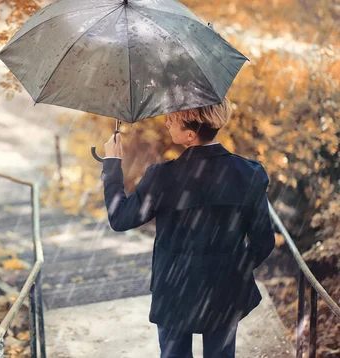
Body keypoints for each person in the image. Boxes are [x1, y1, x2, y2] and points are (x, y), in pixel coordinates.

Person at [101, 98, 275, 358]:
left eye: (174, 119)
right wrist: (232, 269)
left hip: (174, 291)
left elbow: (121, 219)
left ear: (191, 134)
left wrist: (112, 164)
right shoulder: (248, 173)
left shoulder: (162, 176)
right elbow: (264, 241)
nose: (167, 121)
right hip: (224, 291)